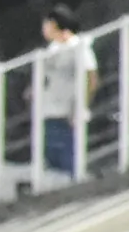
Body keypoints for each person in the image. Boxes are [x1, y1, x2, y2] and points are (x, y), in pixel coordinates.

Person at [29, 12, 95, 190]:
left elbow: (91, 77)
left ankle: (79, 184)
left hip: (67, 111)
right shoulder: (52, 49)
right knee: (51, 153)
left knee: (68, 153)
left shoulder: (77, 45)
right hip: (49, 111)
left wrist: (81, 106)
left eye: (46, 24)